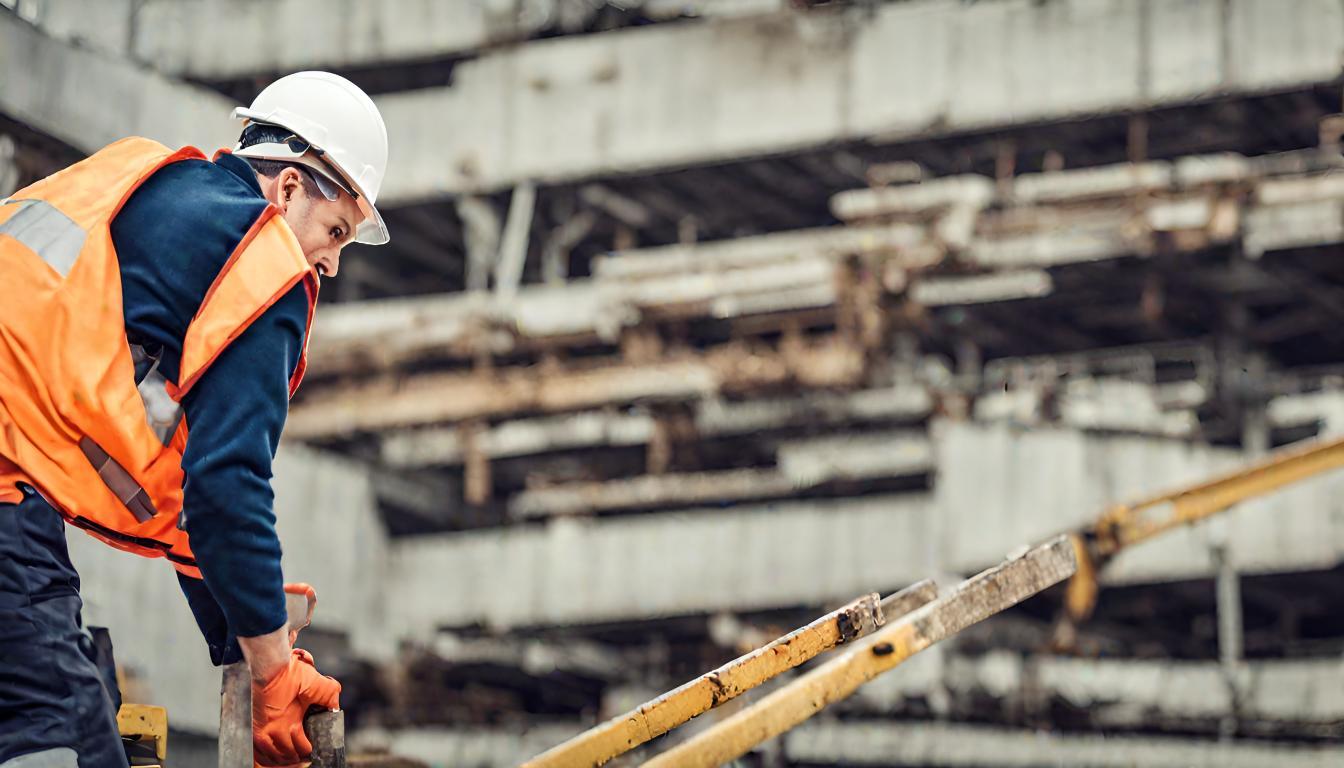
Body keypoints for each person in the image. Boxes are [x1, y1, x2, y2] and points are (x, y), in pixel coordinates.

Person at [0, 70, 390, 767]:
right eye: (336, 230)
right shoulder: (262, 264)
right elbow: (225, 487)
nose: (329, 263)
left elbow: (186, 488)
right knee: (57, 735)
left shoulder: (136, 179)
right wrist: (274, 668)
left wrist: (245, 632)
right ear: (290, 187)